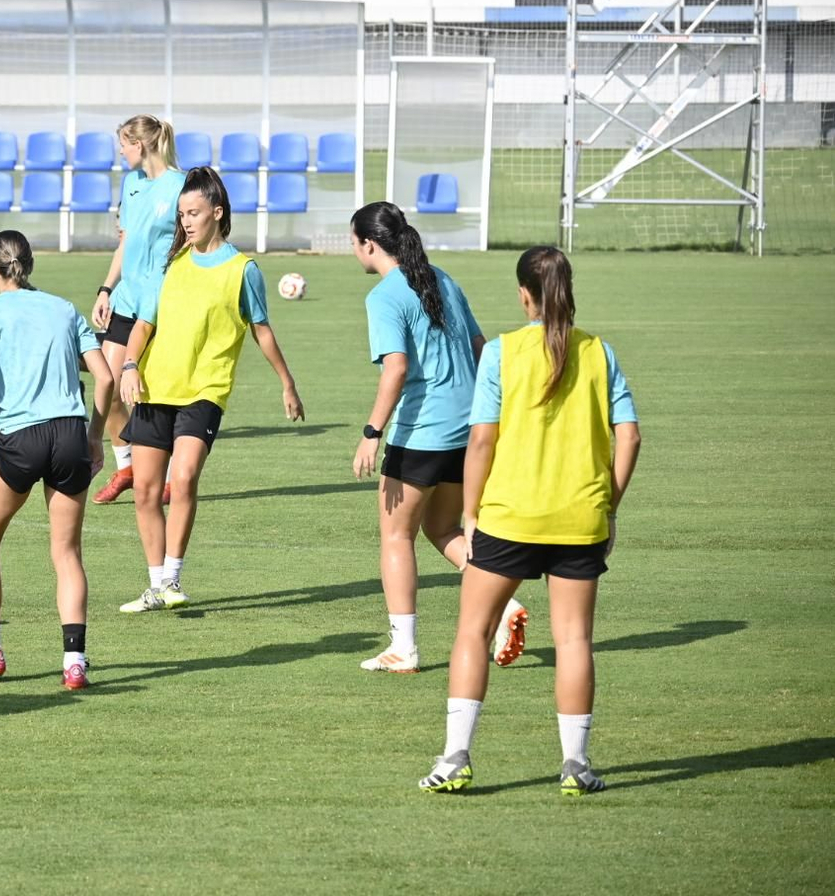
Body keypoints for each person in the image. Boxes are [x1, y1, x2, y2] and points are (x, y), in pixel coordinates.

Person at [420, 246, 641, 796]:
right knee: (574, 642)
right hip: (579, 520)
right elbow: (630, 436)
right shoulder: (600, 352)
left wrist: (470, 513)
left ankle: (455, 760)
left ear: (525, 295)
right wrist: (607, 505)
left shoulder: (503, 352)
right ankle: (576, 766)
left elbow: (481, 439)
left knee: (472, 631)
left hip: (510, 516)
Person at [347, 201, 527, 674]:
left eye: (354, 243)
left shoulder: (385, 296)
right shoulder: (441, 278)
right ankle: (505, 606)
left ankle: (403, 648)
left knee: (396, 535)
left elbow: (396, 368)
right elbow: (481, 349)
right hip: (468, 429)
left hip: (422, 433)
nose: (354, 251)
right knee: (443, 529)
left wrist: (371, 433)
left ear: (368, 244)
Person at [116, 168, 303, 612]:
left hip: (205, 389)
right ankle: (156, 585)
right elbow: (144, 323)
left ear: (217, 213)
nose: (186, 222)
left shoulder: (243, 270)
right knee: (144, 490)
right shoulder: (171, 263)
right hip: (154, 385)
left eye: (194, 213)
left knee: (181, 479)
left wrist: (287, 383)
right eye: (182, 214)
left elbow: (262, 330)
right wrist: (128, 364)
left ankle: (174, 578)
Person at [0, 231, 114, 690]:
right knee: (66, 552)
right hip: (70, 434)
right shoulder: (63, 309)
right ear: (31, 264)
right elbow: (104, 378)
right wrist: (95, 437)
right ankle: (74, 662)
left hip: (21, 436)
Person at [90, 114, 186, 505]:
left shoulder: (180, 186)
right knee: (108, 384)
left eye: (124, 145)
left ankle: (162, 476)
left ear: (141, 144)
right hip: (127, 298)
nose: (120, 152)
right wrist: (105, 288)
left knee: (154, 392)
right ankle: (126, 466)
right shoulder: (130, 184)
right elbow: (126, 241)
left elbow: (189, 245)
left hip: (163, 302)